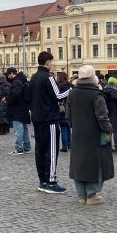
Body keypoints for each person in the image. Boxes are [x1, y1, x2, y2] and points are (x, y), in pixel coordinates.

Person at [66, 65, 114, 205]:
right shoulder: (96, 94)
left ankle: (82, 195)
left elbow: (68, 117)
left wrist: (76, 127)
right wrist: (109, 129)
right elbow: (102, 117)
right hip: (95, 135)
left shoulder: (72, 93)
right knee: (95, 163)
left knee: (79, 163)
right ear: (93, 77)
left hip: (78, 134)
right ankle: (92, 195)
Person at [29, 51, 70, 194]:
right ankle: (51, 181)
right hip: (49, 119)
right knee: (51, 151)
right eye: (51, 62)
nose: (52, 64)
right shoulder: (48, 77)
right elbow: (58, 96)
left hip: (37, 118)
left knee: (40, 150)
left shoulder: (34, 77)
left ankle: (43, 180)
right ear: (47, 62)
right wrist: (71, 88)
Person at [5, 67, 31, 155]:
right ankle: (27, 147)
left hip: (17, 109)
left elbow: (16, 95)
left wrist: (8, 101)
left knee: (18, 129)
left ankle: (19, 148)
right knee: (24, 129)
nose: (8, 76)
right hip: (23, 108)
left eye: (8, 74)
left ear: (12, 73)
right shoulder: (22, 80)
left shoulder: (16, 82)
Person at [104, 77, 117, 154]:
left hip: (105, 112)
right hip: (114, 112)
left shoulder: (104, 90)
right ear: (115, 83)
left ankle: (106, 147)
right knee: (115, 130)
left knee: (107, 130)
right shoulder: (115, 91)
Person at [56, 72, 72, 152]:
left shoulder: (58, 86)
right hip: (69, 108)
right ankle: (70, 144)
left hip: (61, 109)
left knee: (63, 128)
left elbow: (58, 98)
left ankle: (64, 146)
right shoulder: (70, 86)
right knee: (68, 127)